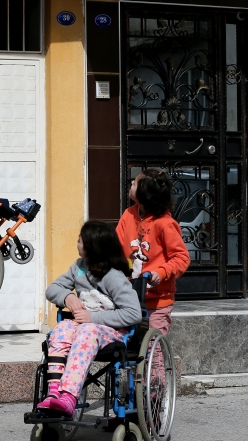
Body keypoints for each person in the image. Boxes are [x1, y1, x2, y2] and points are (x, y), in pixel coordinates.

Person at [40, 221, 142, 417]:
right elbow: (52, 289)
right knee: (61, 328)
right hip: (83, 328)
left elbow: (133, 313)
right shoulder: (79, 267)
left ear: (92, 247)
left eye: (80, 241)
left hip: (110, 332)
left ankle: (69, 396)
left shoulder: (113, 277)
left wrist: (92, 317)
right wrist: (68, 297)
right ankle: (54, 392)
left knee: (87, 330)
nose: (77, 243)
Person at [116, 169, 190, 336]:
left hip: (157, 301)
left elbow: (181, 258)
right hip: (129, 297)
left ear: (144, 195)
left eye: (135, 183)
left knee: (152, 349)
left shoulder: (165, 224)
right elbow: (117, 247)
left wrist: (161, 272)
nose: (131, 184)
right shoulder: (128, 215)